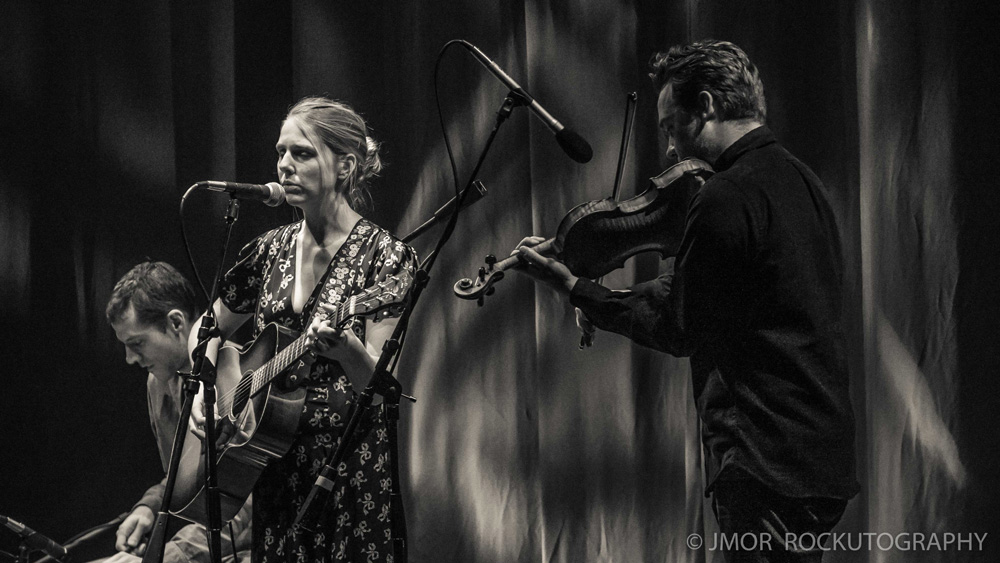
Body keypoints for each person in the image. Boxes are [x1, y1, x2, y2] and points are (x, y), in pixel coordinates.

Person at [515, 40, 858, 562]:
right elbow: (714, 295)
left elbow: (681, 325)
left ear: (708, 106)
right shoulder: (801, 181)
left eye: (672, 126)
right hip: (818, 456)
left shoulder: (725, 195)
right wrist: (597, 291)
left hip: (764, 459)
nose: (671, 150)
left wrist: (575, 289)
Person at [189, 97, 417, 563]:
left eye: (302, 153)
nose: (284, 166)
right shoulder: (268, 250)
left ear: (345, 165)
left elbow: (377, 389)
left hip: (347, 470)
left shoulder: (386, 258)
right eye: (281, 153)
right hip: (272, 468)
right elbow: (206, 329)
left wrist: (345, 347)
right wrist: (205, 388)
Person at [106, 261, 252, 563]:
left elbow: (245, 504)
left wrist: (168, 556)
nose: (130, 358)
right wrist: (148, 507)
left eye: (137, 343)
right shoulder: (157, 384)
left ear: (176, 323)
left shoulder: (234, 373)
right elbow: (185, 477)